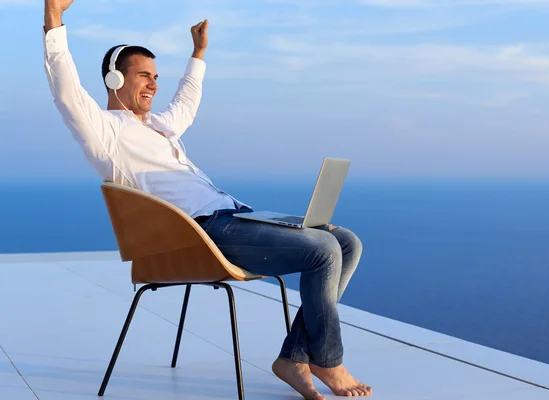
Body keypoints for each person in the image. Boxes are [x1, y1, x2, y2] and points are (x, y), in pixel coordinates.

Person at [43, 0, 372, 398]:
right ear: (114, 80)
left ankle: (296, 357)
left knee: (346, 242)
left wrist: (197, 54)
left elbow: (186, 103)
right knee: (322, 250)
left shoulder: (160, 128)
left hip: (235, 216)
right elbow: (65, 91)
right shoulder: (106, 133)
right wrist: (54, 18)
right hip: (201, 233)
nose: (153, 84)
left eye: (156, 76)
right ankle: (327, 360)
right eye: (143, 76)